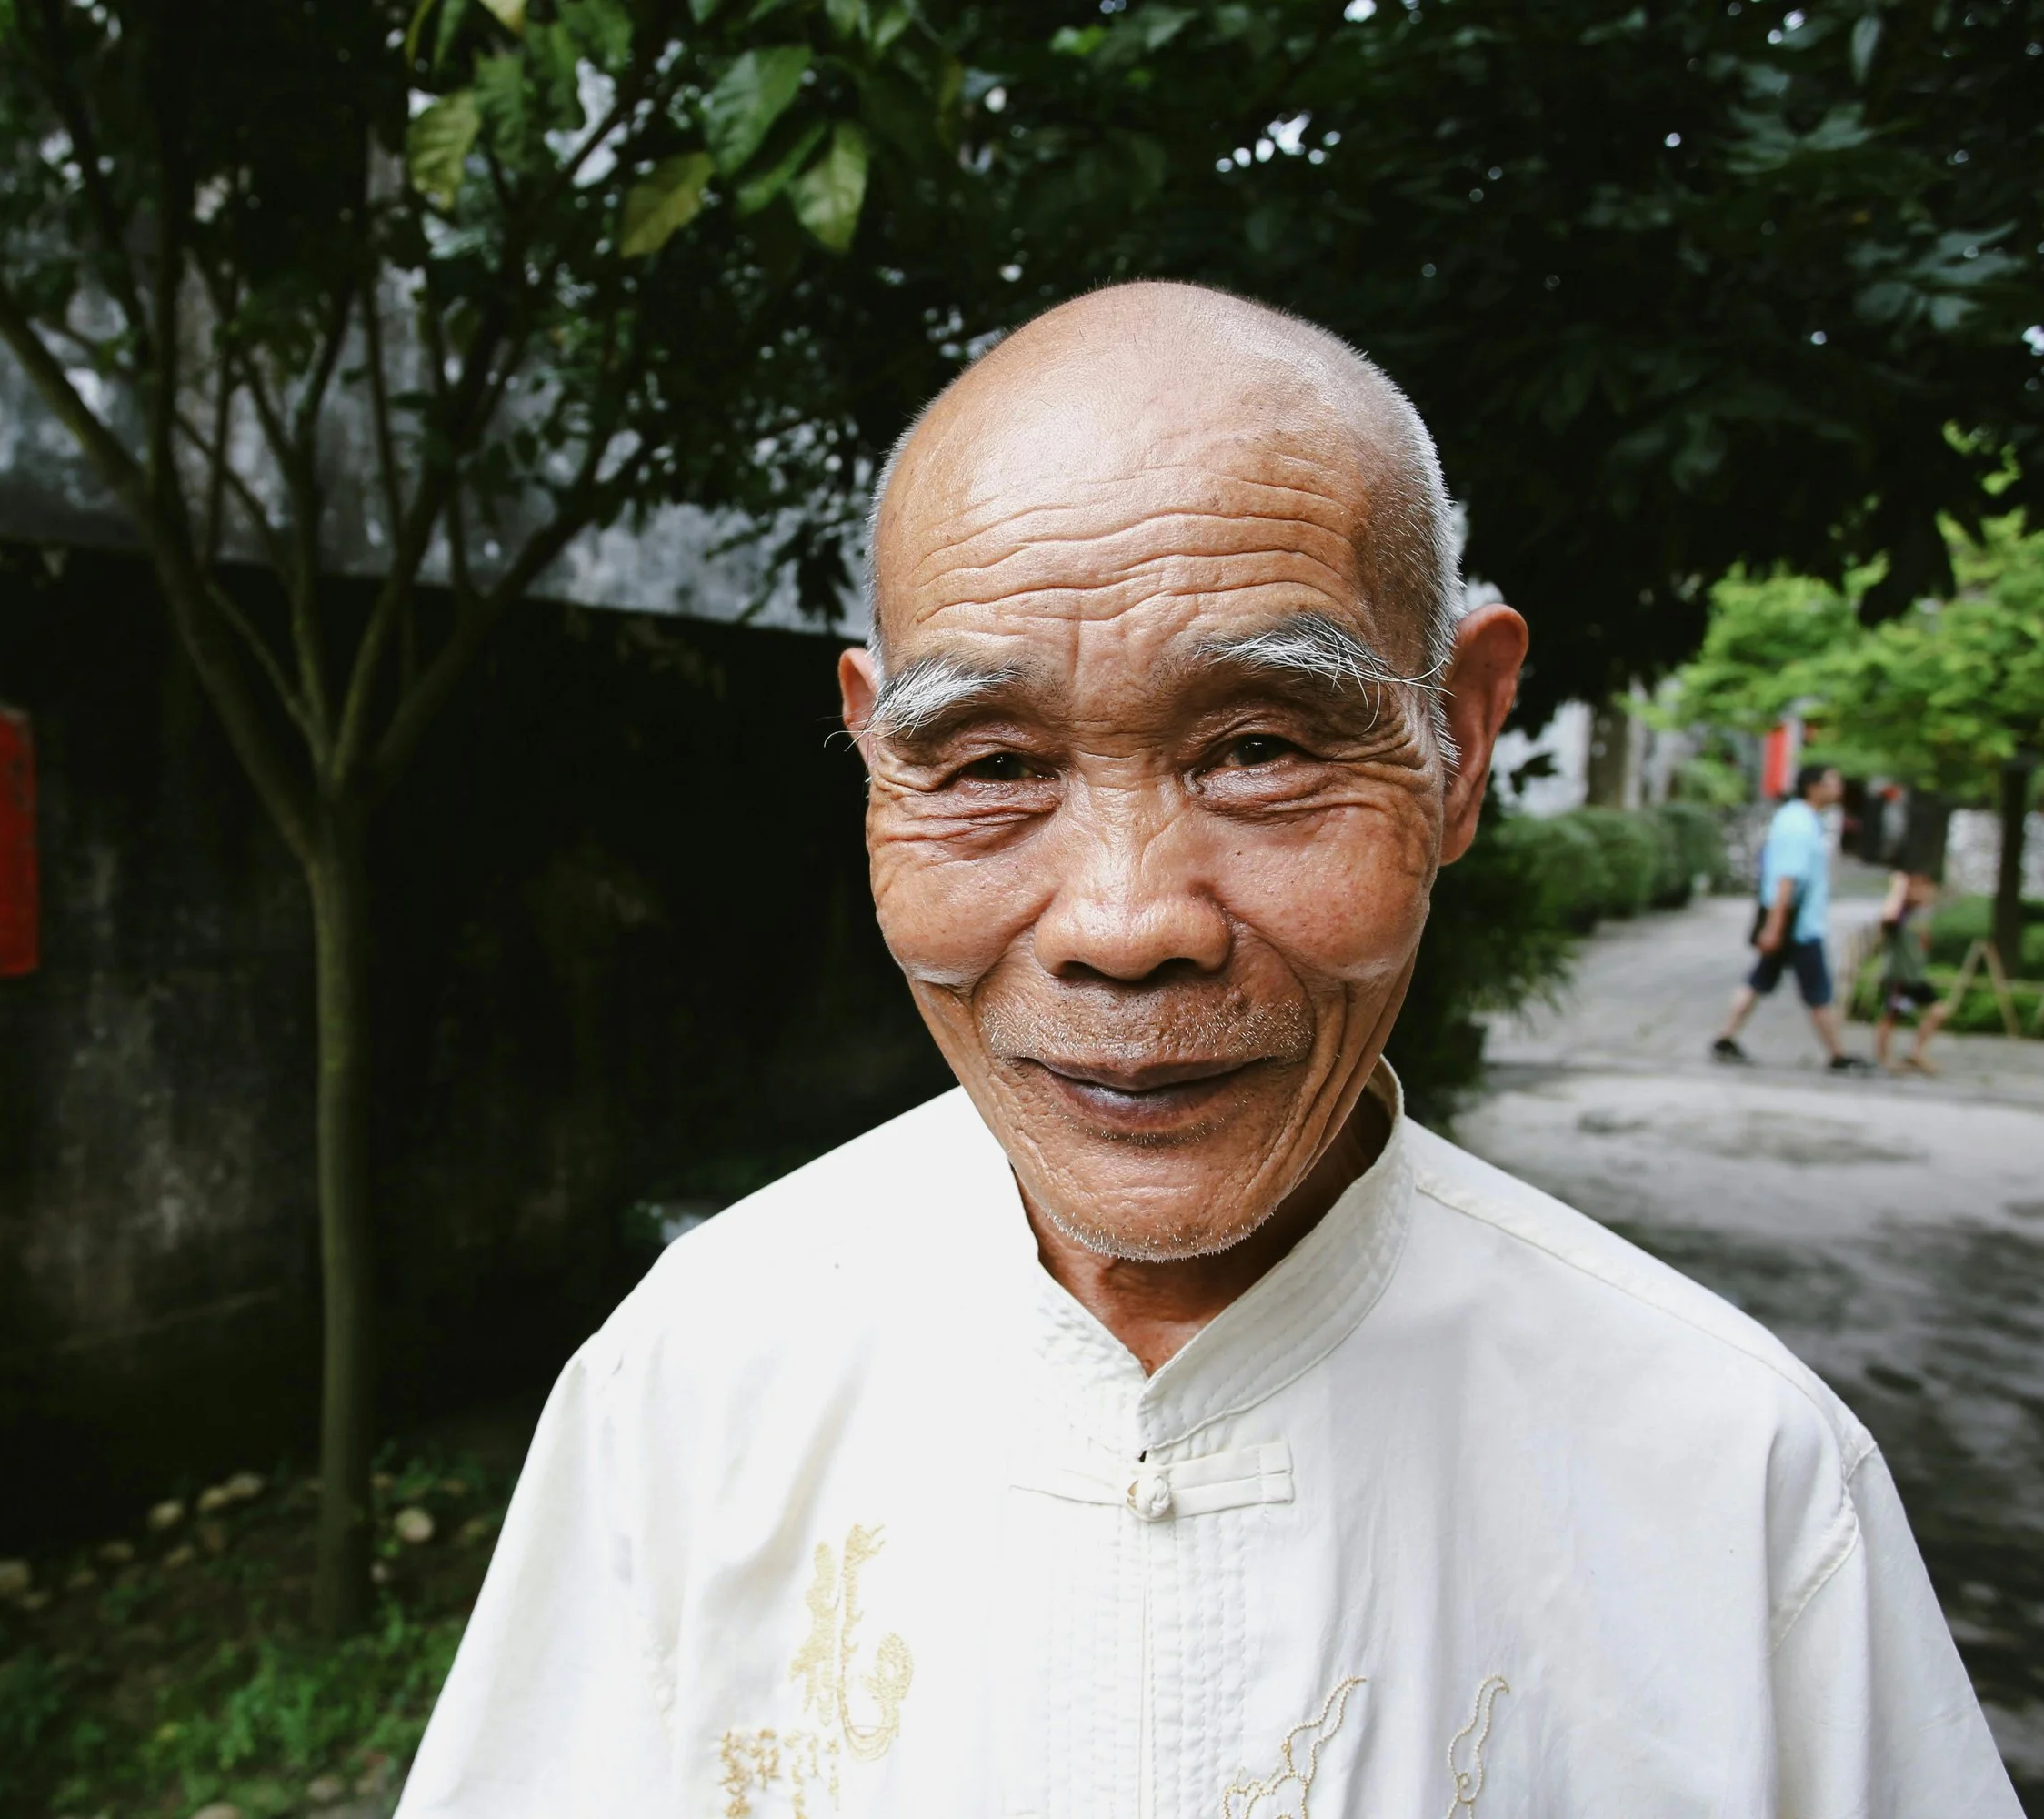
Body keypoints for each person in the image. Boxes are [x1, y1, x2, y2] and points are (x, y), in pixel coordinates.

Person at [397, 286, 2014, 1814]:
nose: (1121, 920)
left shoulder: (1735, 1486)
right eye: (988, 759)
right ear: (876, 752)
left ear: (1458, 742)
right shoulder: (694, 1382)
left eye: (1258, 747)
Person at [1712, 761, 1868, 1069]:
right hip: (1797, 924)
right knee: (1818, 991)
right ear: (1813, 786)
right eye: (1832, 781)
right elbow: (1788, 877)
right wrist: (1775, 925)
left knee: (1758, 981)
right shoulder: (1799, 823)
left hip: (1792, 919)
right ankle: (1838, 1054)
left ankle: (1726, 1037)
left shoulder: (1801, 819)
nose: (1839, 788)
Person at [1876, 863, 1950, 1073]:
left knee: (1938, 1011)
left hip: (1917, 977)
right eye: (1917, 887)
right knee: (1891, 1018)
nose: (1924, 892)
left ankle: (1915, 1052)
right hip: (1899, 977)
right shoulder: (1900, 915)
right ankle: (1884, 1059)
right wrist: (1898, 887)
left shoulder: (1923, 914)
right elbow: (1887, 917)